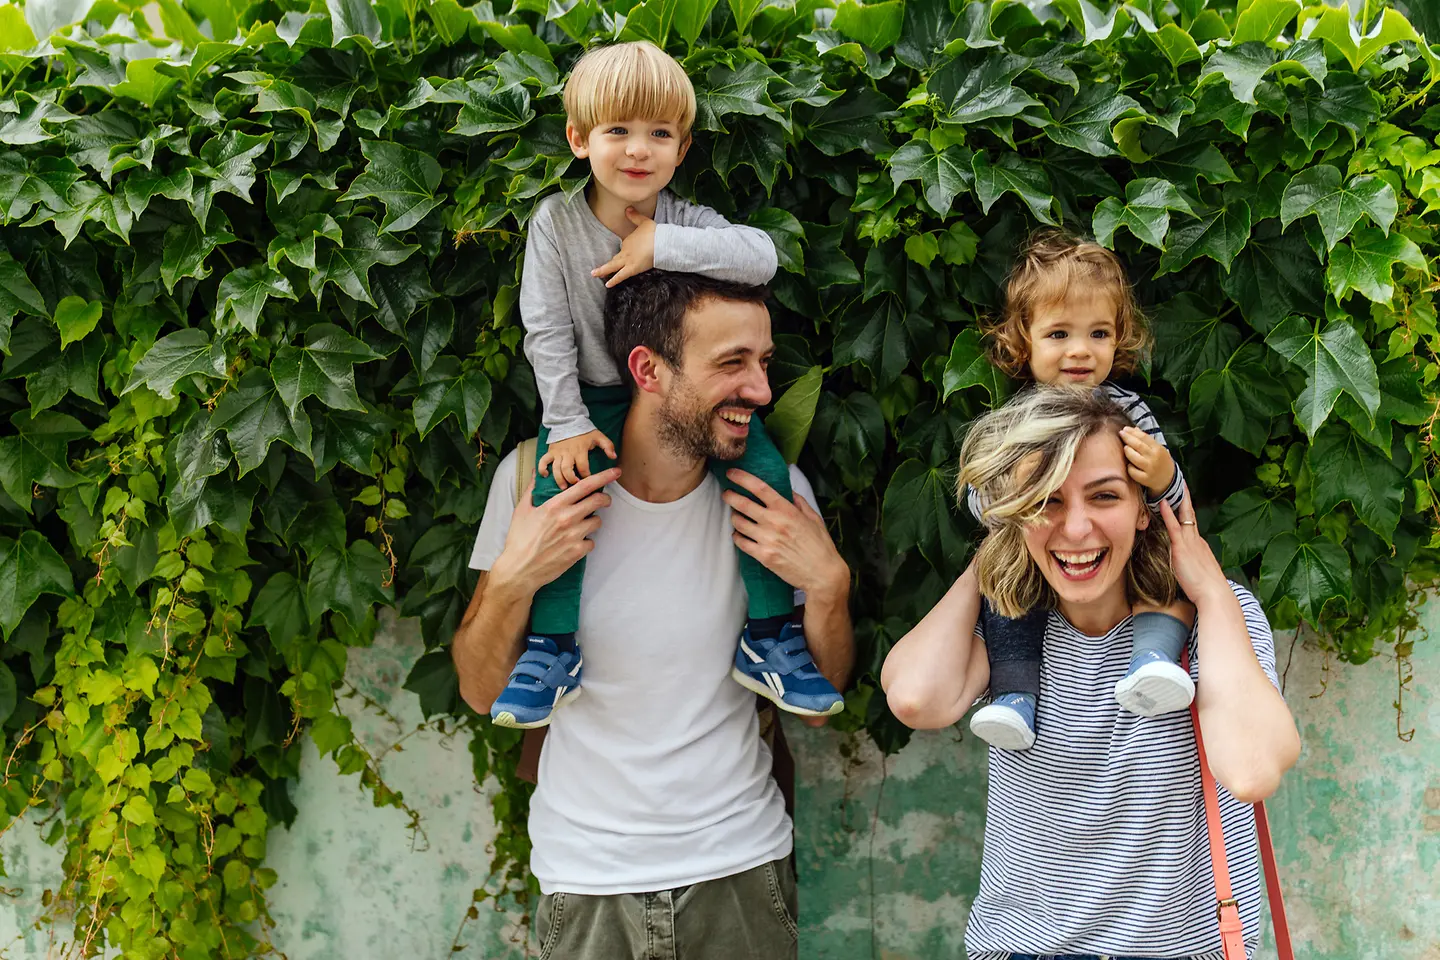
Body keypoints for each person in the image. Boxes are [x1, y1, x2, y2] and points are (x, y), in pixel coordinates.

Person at [452, 270, 855, 959]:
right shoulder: (534, 484)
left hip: (740, 870)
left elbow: (819, 704)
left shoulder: (774, 496)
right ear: (648, 370)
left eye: (763, 363)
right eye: (731, 363)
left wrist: (830, 587)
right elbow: (481, 690)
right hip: (586, 882)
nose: (761, 390)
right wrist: (515, 579)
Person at [881, 387, 1300, 960]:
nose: (1076, 529)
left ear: (1143, 509)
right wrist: (996, 553)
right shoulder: (1008, 623)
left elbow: (1252, 771)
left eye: (1104, 496)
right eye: (1045, 501)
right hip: (1022, 947)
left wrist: (1210, 591)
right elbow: (914, 697)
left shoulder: (1212, 617)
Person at [499, 38, 842, 729]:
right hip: (591, 397)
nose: (638, 150)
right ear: (578, 139)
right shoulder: (556, 223)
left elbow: (761, 256)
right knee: (560, 494)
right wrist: (565, 422)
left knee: (764, 476)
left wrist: (661, 245)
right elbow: (546, 329)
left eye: (660, 134)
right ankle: (551, 648)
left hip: (682, 395)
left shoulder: (684, 219)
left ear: (682, 149)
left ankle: (770, 636)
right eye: (617, 131)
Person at [963, 230, 1198, 751]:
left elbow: (1175, 508)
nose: (1080, 351)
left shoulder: (1131, 413)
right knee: (1002, 587)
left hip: (1124, 560)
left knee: (1168, 568)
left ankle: (1152, 661)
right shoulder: (1019, 423)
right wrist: (1009, 500)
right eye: (1058, 334)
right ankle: (1015, 697)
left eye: (1098, 333)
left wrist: (1164, 476)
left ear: (1119, 338)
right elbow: (979, 501)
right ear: (1023, 341)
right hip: (1037, 558)